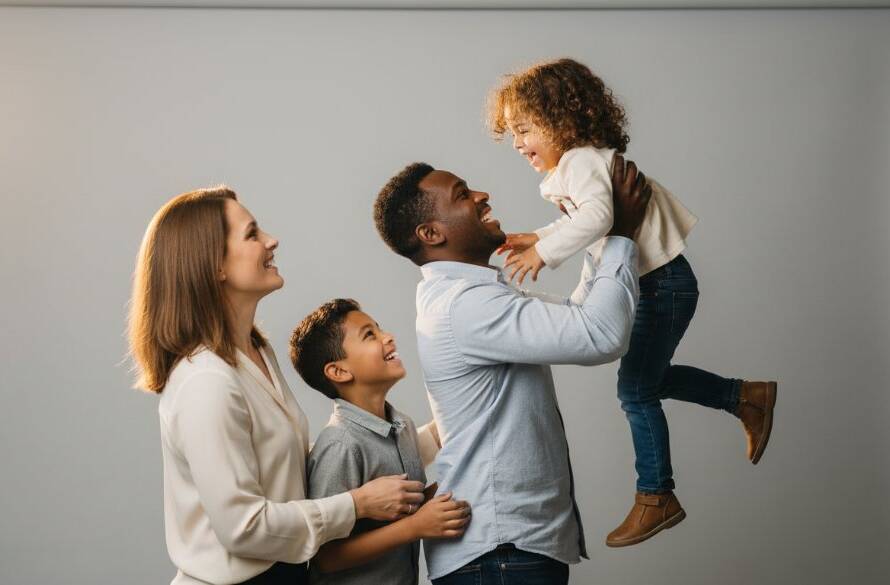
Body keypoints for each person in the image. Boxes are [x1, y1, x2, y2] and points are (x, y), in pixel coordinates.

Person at [487, 57, 778, 546]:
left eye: (524, 129)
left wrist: (544, 252)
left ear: (562, 121)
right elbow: (592, 224)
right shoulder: (582, 164)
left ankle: (656, 495)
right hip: (660, 281)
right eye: (511, 133)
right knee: (649, 381)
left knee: (635, 390)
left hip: (660, 283)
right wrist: (536, 235)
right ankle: (744, 396)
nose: (517, 143)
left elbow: (598, 219)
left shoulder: (579, 163)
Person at [127, 187, 429, 584]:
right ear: (214, 265)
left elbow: (285, 472)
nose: (272, 240)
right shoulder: (206, 382)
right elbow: (243, 528)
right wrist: (356, 505)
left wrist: (420, 442)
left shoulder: (255, 352)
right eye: (252, 234)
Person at [373, 155, 647, 584]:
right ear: (430, 233)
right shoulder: (464, 306)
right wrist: (622, 235)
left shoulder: (476, 297)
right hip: (500, 554)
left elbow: (580, 316)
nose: (482, 196)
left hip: (508, 551)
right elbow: (601, 335)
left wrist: (598, 233)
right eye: (462, 195)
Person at [289, 298, 471, 585]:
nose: (388, 337)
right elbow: (327, 556)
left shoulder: (403, 427)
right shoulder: (340, 444)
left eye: (379, 328)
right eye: (369, 335)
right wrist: (416, 526)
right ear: (339, 371)